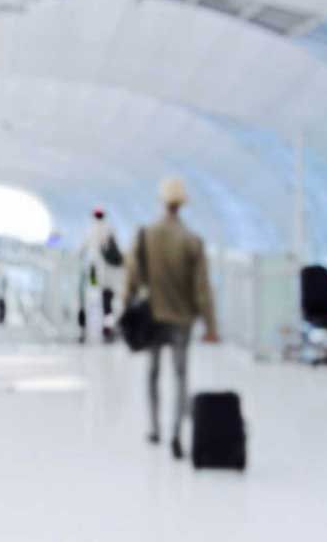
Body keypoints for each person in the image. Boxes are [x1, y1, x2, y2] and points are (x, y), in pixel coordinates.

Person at [125, 178, 219, 460]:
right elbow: (202, 288)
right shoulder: (192, 240)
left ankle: (154, 428)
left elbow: (133, 276)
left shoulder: (146, 235)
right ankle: (177, 434)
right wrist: (211, 326)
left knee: (153, 373)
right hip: (182, 320)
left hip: (154, 316)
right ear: (182, 205)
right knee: (180, 376)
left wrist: (124, 304)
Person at [78, 207, 123, 343]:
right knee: (107, 303)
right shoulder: (110, 229)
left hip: (93, 271)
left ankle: (87, 328)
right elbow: (117, 251)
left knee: (92, 296)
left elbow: (81, 250)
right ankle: (108, 328)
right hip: (109, 274)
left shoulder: (89, 230)